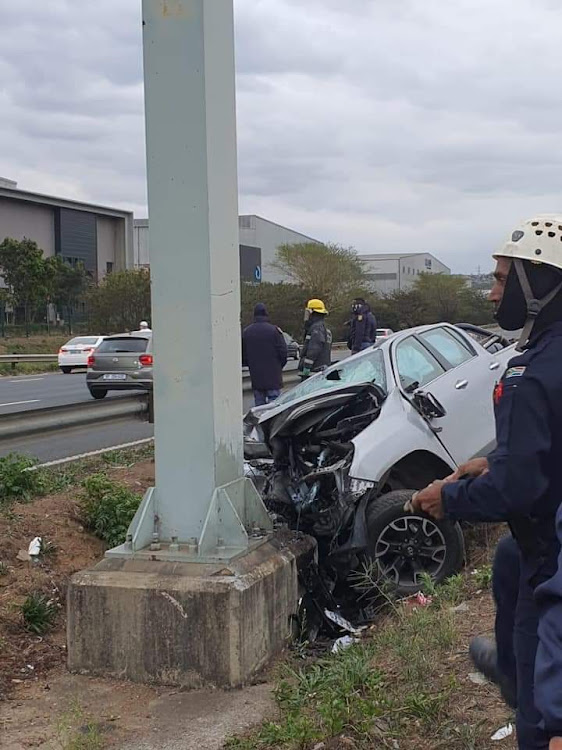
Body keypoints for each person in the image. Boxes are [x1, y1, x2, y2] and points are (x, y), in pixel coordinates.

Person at [411, 215, 562, 750]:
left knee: (540, 710)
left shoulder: (534, 371)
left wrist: (447, 497)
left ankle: (527, 697)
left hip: (550, 547)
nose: (493, 292)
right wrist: (495, 462)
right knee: (506, 560)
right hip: (536, 542)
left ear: (538, 284)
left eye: (502, 279)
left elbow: (519, 490)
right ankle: (513, 670)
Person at [242, 302, 287, 407]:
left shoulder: (247, 332)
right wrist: (279, 367)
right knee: (274, 407)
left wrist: (251, 365)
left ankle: (261, 423)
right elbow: (283, 352)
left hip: (256, 377)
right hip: (273, 377)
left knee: (259, 407)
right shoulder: (274, 331)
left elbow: (243, 356)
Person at [298, 298, 332, 378]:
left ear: (311, 312)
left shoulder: (316, 328)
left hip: (314, 371)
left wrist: (307, 367)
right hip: (320, 369)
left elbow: (314, 349)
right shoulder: (323, 327)